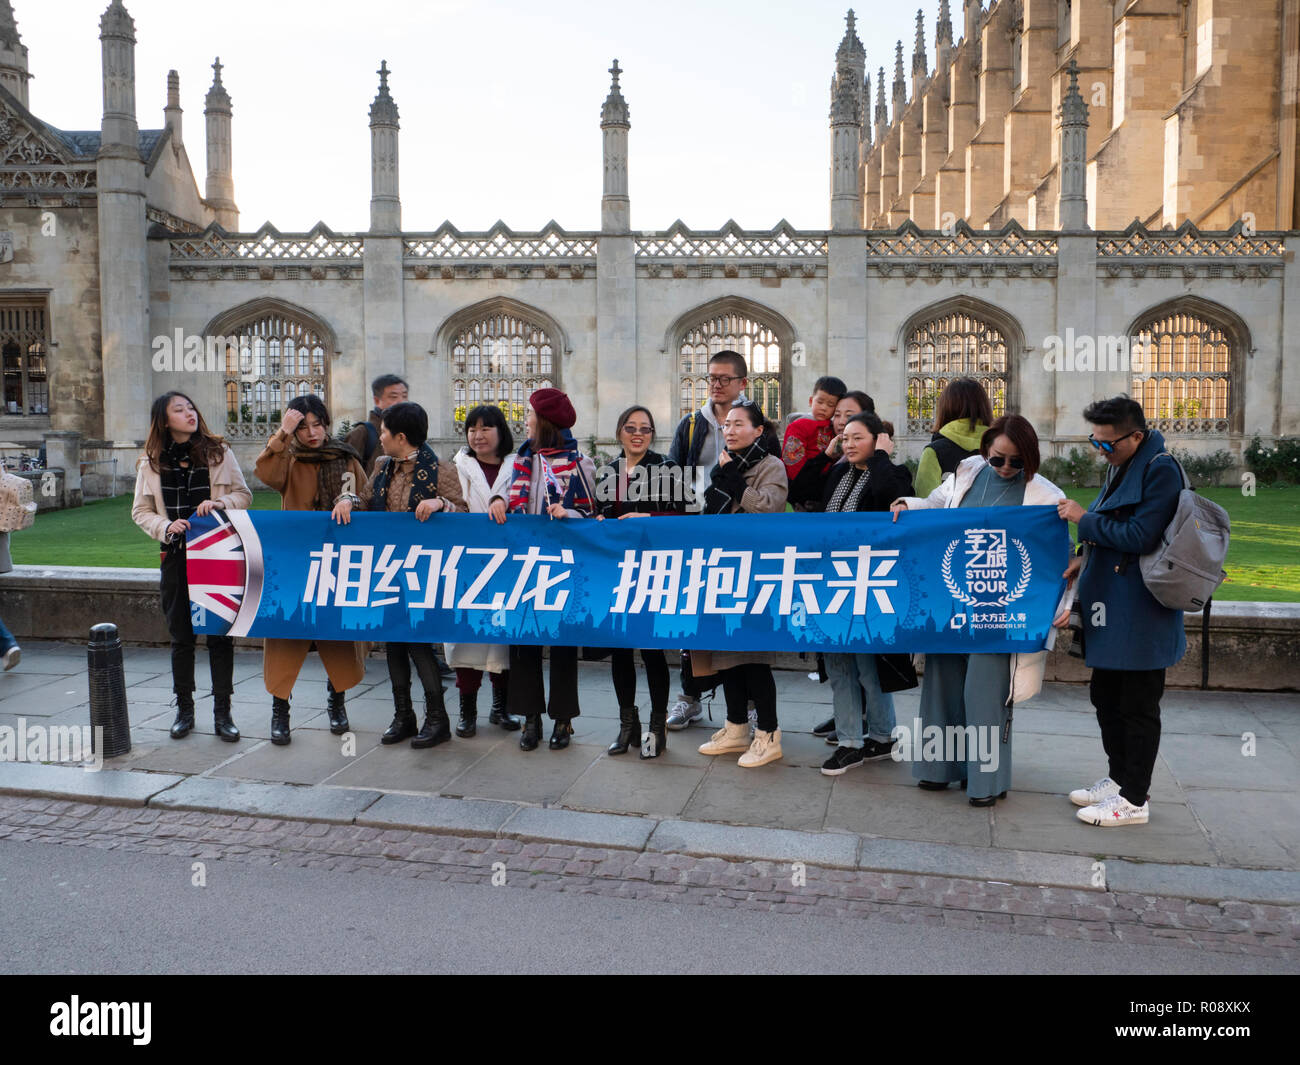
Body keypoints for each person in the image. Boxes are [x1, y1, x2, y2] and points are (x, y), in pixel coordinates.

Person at [891, 414, 1067, 805]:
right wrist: (909, 503)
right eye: (998, 458)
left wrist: (1065, 602)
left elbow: (1060, 557)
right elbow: (936, 506)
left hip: (1000, 611)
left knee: (984, 692)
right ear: (986, 449)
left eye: (1016, 462)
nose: (1005, 468)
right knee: (941, 683)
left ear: (1030, 459)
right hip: (950, 600)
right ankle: (939, 769)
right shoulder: (968, 469)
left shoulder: (1046, 496)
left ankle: (986, 782)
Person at [1056, 396, 1186, 828]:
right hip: (1112, 600)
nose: (1100, 450)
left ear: (1136, 435)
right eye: (1095, 440)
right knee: (1106, 696)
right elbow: (1112, 524)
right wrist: (1083, 554)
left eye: (1108, 443)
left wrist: (1082, 519)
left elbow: (1142, 535)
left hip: (1143, 607)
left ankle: (1134, 799)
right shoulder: (1124, 462)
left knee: (1138, 704)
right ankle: (1118, 778)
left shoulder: (1160, 468)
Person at [132, 391, 252, 741]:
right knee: (181, 637)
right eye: (179, 410)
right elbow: (140, 511)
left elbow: (244, 495)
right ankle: (184, 710)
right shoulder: (151, 462)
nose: (189, 414)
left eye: (191, 407)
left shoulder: (219, 452)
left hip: (216, 555)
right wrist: (166, 527)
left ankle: (223, 713)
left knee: (219, 636)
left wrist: (219, 503)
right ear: (164, 420)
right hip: (176, 556)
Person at [255, 394, 371, 745]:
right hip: (294, 561)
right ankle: (280, 710)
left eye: (317, 424)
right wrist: (282, 434)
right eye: (303, 426)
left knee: (336, 634)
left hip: (336, 561)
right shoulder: (288, 458)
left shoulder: (344, 457)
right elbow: (266, 474)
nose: (312, 432)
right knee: (285, 635)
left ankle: (337, 704)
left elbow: (360, 494)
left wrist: (349, 500)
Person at [487, 387, 596, 751]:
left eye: (531, 415)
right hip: (522, 565)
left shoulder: (580, 462)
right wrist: (500, 499)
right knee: (523, 644)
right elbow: (501, 493)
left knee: (563, 644)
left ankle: (563, 719)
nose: (526, 421)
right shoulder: (519, 459)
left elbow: (593, 514)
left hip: (562, 566)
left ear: (544, 420)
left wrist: (572, 514)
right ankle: (529, 717)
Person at [818, 412, 914, 776]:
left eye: (858, 437)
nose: (849, 444)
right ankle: (849, 741)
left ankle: (882, 735)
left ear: (879, 440)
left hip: (872, 584)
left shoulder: (892, 471)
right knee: (840, 664)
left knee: (869, 665)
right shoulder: (839, 473)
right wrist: (828, 455)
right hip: (832, 581)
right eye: (845, 438)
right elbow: (806, 492)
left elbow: (889, 496)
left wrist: (881, 458)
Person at [695, 398, 789, 768]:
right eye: (727, 424)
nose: (729, 430)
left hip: (756, 573)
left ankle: (768, 733)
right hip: (722, 568)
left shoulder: (771, 465)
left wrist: (735, 484)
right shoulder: (725, 465)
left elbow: (769, 508)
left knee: (754, 656)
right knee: (726, 654)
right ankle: (736, 727)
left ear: (758, 430)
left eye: (738, 424)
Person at [366, 401, 466, 748]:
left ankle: (437, 719)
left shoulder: (440, 470)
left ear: (401, 436)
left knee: (420, 643)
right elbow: (365, 498)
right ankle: (403, 716)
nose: (379, 436)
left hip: (425, 572)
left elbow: (465, 515)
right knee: (393, 643)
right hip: (387, 569)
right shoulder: (382, 466)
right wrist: (347, 499)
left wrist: (441, 504)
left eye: (384, 431)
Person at [665, 349, 749, 729]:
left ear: (742, 384)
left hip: (740, 537)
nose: (715, 385)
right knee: (692, 616)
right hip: (698, 534)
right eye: (711, 378)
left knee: (740, 617)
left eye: (724, 379)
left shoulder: (757, 424)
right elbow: (672, 477)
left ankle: (746, 699)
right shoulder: (690, 425)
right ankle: (690, 697)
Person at [596, 404, 685, 759]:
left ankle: (656, 729)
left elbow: (684, 516)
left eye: (645, 429)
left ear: (652, 435)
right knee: (620, 650)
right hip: (616, 571)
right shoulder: (608, 471)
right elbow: (599, 516)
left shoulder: (667, 468)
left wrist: (647, 516)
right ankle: (626, 725)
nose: (637, 434)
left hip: (653, 569)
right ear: (620, 431)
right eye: (630, 427)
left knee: (651, 650)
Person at [446, 403, 520, 735]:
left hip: (507, 565)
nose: (478, 434)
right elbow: (450, 506)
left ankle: (500, 708)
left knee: (502, 637)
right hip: (467, 564)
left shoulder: (518, 467)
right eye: (472, 428)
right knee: (467, 637)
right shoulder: (456, 467)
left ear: (500, 431)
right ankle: (467, 711)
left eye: (486, 427)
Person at [788, 389, 873, 511]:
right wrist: (824, 457)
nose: (842, 422)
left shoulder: (886, 471)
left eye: (849, 416)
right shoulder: (837, 468)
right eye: (837, 415)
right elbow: (796, 493)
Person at [912, 377, 993, 498]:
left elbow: (926, 504)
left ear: (944, 409)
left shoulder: (933, 452)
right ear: (984, 408)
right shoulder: (1000, 449)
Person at [781, 374, 848, 484]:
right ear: (811, 401)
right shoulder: (799, 426)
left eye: (830, 405)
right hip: (802, 482)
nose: (823, 408)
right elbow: (792, 460)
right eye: (820, 402)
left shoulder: (834, 428)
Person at [345, 373, 408, 477]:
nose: (401, 401)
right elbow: (348, 478)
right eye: (394, 397)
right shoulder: (361, 434)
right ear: (377, 400)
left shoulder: (410, 433)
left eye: (404, 396)